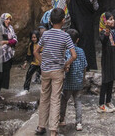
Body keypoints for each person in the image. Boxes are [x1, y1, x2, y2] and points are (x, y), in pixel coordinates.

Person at [34, 8, 77, 136]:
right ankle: (53, 130)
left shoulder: (45, 34)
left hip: (46, 70)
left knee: (44, 97)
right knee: (55, 99)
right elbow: (74, 55)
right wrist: (65, 64)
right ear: (63, 21)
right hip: (58, 71)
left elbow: (36, 51)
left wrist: (42, 62)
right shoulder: (66, 36)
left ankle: (41, 126)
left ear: (50, 21)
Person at [59, 29, 87, 132]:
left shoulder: (67, 51)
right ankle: (79, 122)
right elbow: (84, 66)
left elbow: (65, 65)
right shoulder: (81, 51)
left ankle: (62, 119)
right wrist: (83, 78)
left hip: (68, 81)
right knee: (78, 101)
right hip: (78, 80)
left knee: (64, 99)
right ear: (78, 40)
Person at [68, 0, 99, 70]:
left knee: (78, 42)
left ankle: (78, 65)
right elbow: (96, 7)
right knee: (88, 43)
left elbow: (71, 10)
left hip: (78, 23)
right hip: (88, 23)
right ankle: (88, 65)